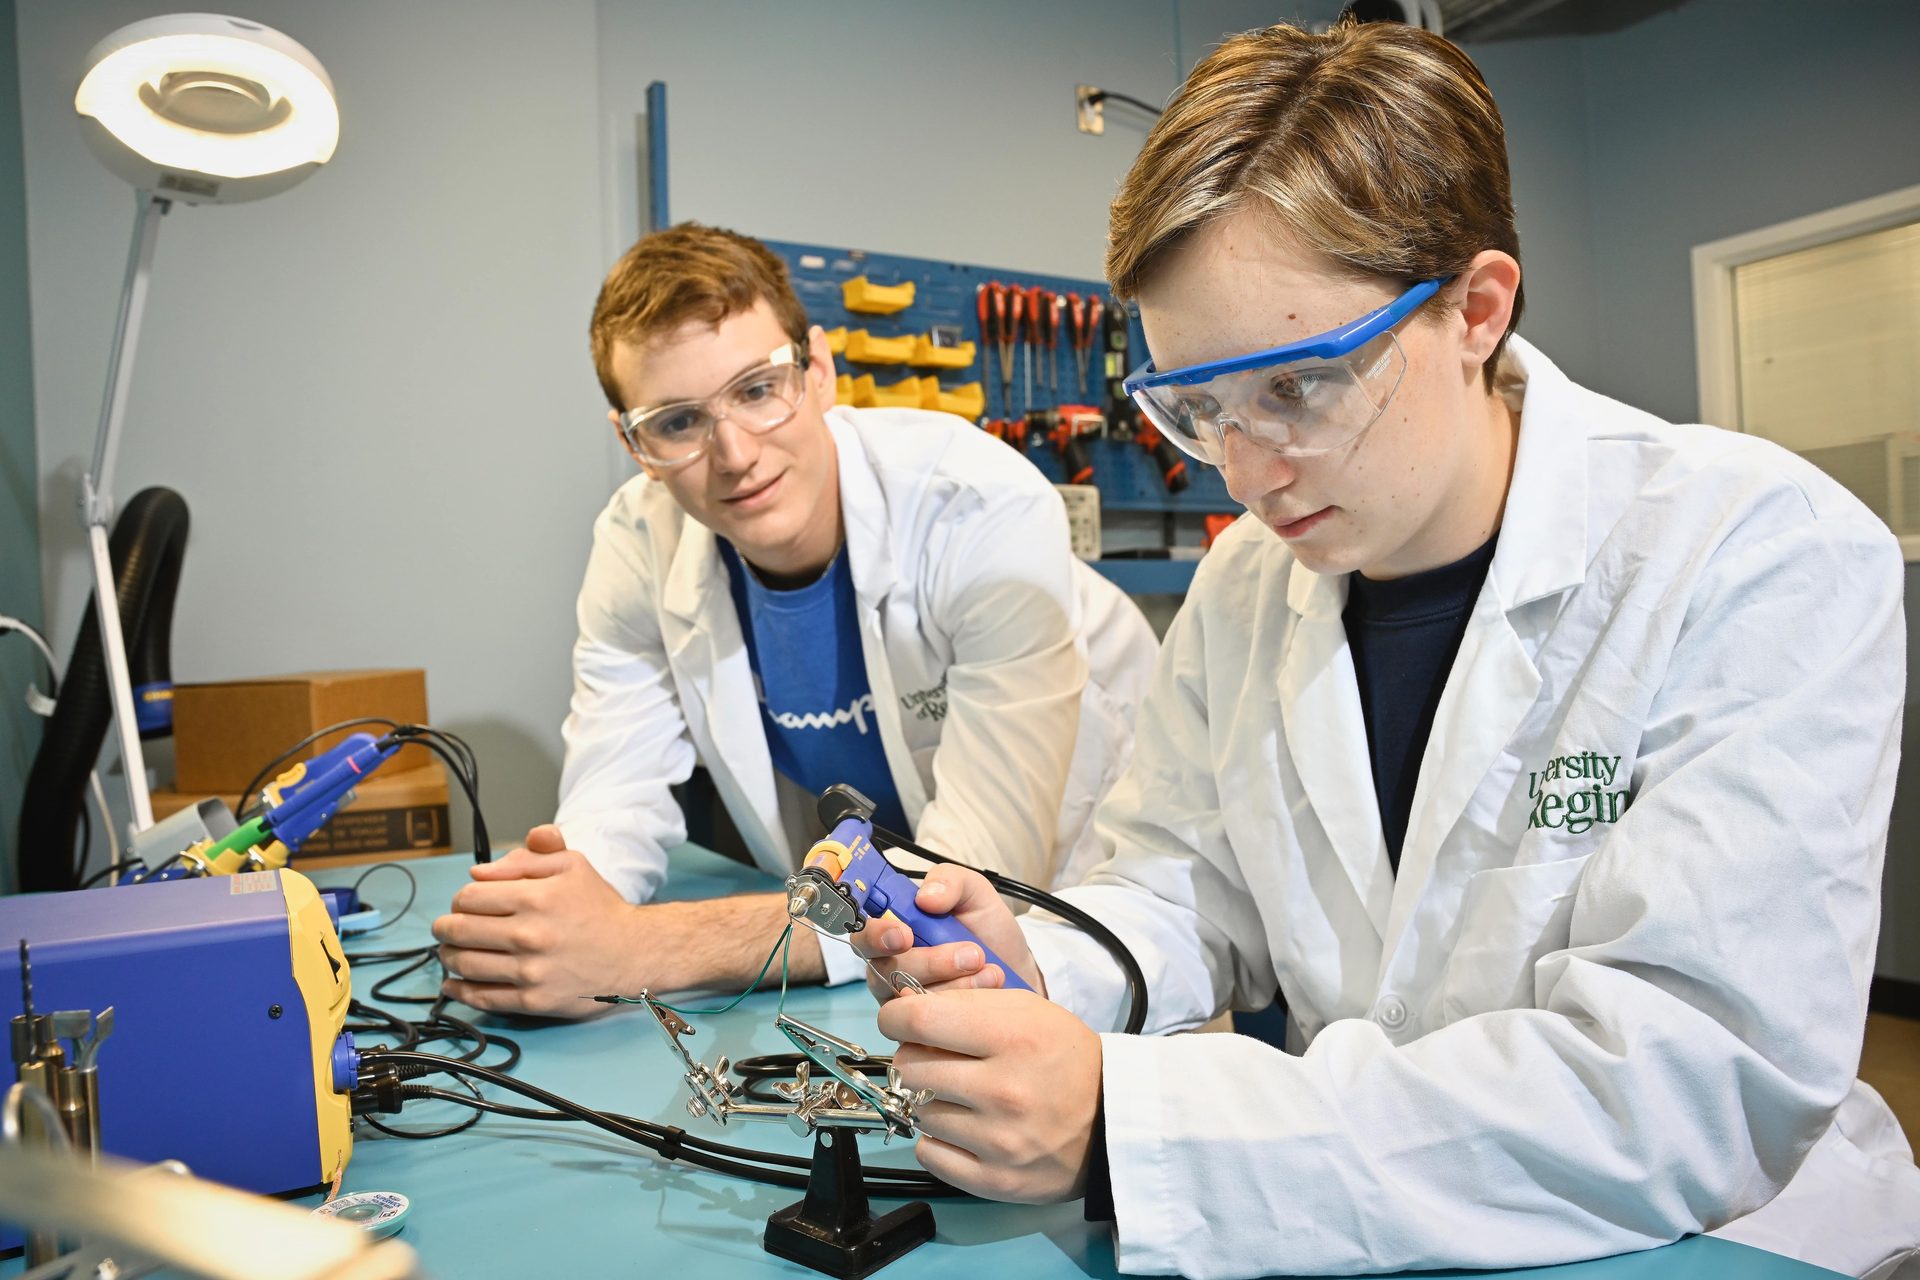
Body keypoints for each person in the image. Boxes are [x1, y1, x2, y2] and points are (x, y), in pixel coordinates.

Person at [853, 19, 1920, 1280]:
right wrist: (1048, 953)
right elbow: (1182, 883)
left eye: (1296, 385)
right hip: (1350, 1219)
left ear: (1475, 307)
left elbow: (1688, 1079)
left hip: (1721, 1244)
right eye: (1197, 407)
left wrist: (1130, 1122)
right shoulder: (1254, 579)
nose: (1244, 473)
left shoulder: (1753, 549)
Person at [431, 224, 1157, 1015]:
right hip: (871, 960)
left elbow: (970, 874)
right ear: (633, 443)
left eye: (756, 389)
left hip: (1095, 918)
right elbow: (614, 795)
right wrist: (552, 921)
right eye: (677, 422)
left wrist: (641, 948)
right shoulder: (638, 543)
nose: (735, 453)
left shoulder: (981, 510)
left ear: (818, 372)